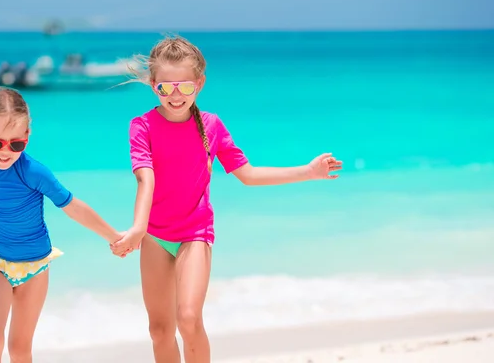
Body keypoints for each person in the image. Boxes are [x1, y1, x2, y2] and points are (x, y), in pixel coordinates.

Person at [110, 36, 343, 363]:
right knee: (159, 331)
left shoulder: (212, 126)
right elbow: (145, 178)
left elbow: (248, 175)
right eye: (166, 88)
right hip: (154, 237)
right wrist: (138, 228)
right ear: (153, 85)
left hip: (194, 234)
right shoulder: (142, 126)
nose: (176, 96)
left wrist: (308, 171)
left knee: (189, 320)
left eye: (185, 87)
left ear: (200, 84)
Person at [0, 86, 127, 363]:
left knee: (20, 349)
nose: (5, 152)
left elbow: (73, 206)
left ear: (27, 136)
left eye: (16, 144)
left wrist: (113, 236)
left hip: (36, 266)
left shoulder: (33, 172)